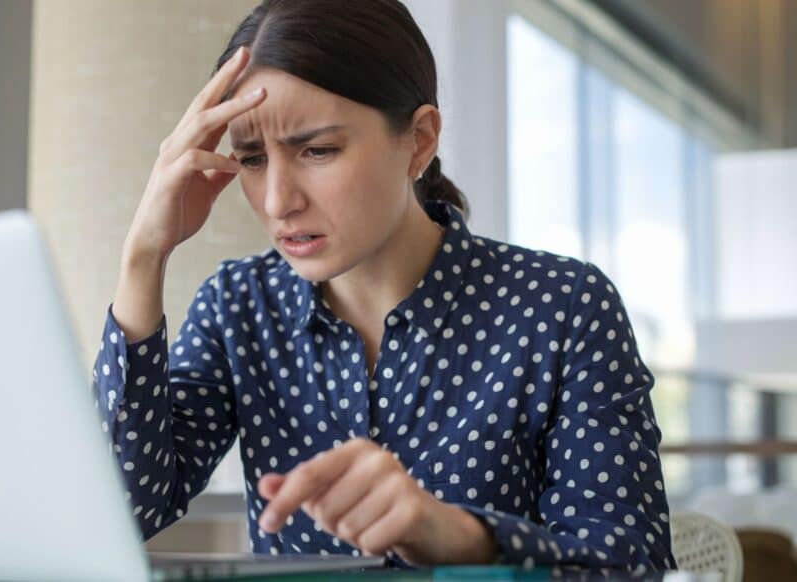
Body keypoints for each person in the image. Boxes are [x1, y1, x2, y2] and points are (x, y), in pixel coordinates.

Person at [92, 0, 676, 573]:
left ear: (419, 140)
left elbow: (630, 565)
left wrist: (461, 538)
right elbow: (118, 511)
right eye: (251, 159)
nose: (277, 202)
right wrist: (145, 256)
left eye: (317, 150)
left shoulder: (562, 306)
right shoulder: (237, 305)